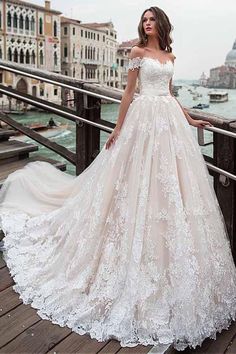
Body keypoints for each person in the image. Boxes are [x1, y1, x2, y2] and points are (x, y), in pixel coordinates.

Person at [0, 6, 235, 352]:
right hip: (142, 123)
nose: (147, 23)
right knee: (134, 187)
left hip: (168, 124)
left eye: (151, 19)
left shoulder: (170, 55)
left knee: (172, 191)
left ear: (162, 25)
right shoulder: (137, 53)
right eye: (144, 20)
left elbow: (170, 94)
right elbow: (128, 93)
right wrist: (118, 128)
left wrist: (190, 120)